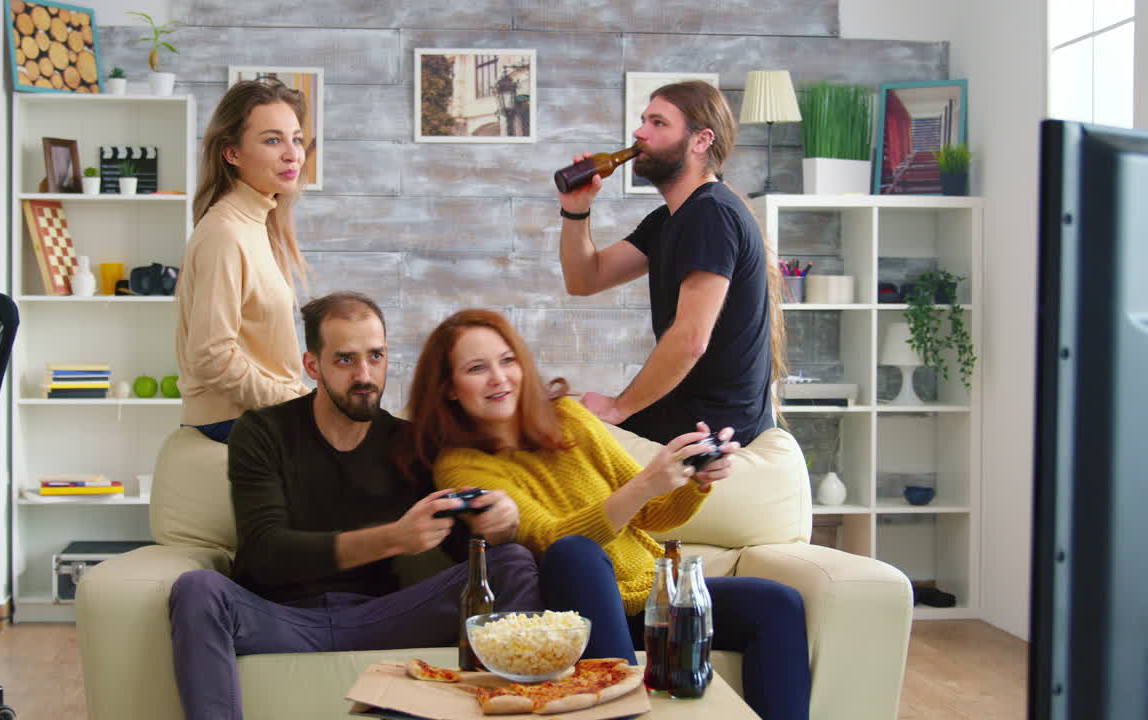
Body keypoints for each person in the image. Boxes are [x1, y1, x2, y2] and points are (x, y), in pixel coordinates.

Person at [402, 309, 811, 720]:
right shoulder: (461, 466)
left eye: (507, 360)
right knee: (574, 552)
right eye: (477, 368)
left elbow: (652, 511)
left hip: (651, 599)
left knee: (778, 603)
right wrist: (645, 483)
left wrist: (695, 476)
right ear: (450, 388)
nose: (499, 377)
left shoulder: (568, 416)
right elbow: (549, 538)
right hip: (578, 605)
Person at [169, 293, 542, 720]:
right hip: (282, 619)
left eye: (376, 356)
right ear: (314, 366)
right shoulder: (262, 432)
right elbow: (265, 553)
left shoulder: (413, 442)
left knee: (512, 562)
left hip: (383, 618)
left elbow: (461, 554)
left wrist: (495, 528)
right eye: (345, 360)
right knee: (197, 590)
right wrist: (393, 538)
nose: (365, 375)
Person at [555, 80, 786, 447]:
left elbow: (691, 339)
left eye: (658, 123)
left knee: (560, 446)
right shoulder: (669, 220)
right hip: (683, 411)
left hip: (714, 430)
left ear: (701, 140)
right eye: (643, 120)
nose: (639, 132)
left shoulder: (712, 213)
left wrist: (618, 408)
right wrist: (575, 209)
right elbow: (585, 279)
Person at [175, 79, 313, 443]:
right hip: (232, 420)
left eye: (296, 139)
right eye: (272, 140)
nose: (292, 154)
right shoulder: (225, 232)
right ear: (232, 153)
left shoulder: (255, 223)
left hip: (258, 413)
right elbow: (211, 357)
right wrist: (296, 406)